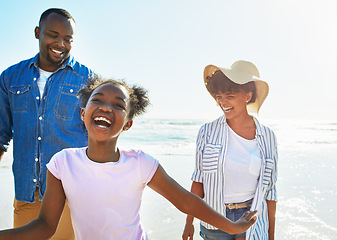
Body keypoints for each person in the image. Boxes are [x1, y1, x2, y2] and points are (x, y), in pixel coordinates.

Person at [0, 76, 257, 240]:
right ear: (82, 113)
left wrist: (231, 226)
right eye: (97, 100)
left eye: (118, 105)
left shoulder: (140, 163)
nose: (105, 107)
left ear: (127, 124)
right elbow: (45, 226)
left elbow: (185, 201)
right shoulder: (62, 163)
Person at [0, 8, 93, 239]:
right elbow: (1, 136)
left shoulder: (87, 79)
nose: (60, 43)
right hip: (26, 195)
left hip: (71, 196)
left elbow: (98, 137)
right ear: (37, 32)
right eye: (53, 35)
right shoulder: (10, 77)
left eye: (68, 39)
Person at [182, 60, 278, 240]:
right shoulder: (207, 132)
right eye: (219, 96)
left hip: (253, 219)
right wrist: (189, 222)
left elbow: (271, 191)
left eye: (230, 95)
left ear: (247, 96)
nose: (222, 102)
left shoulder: (268, 137)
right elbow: (198, 180)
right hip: (214, 218)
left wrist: (270, 235)